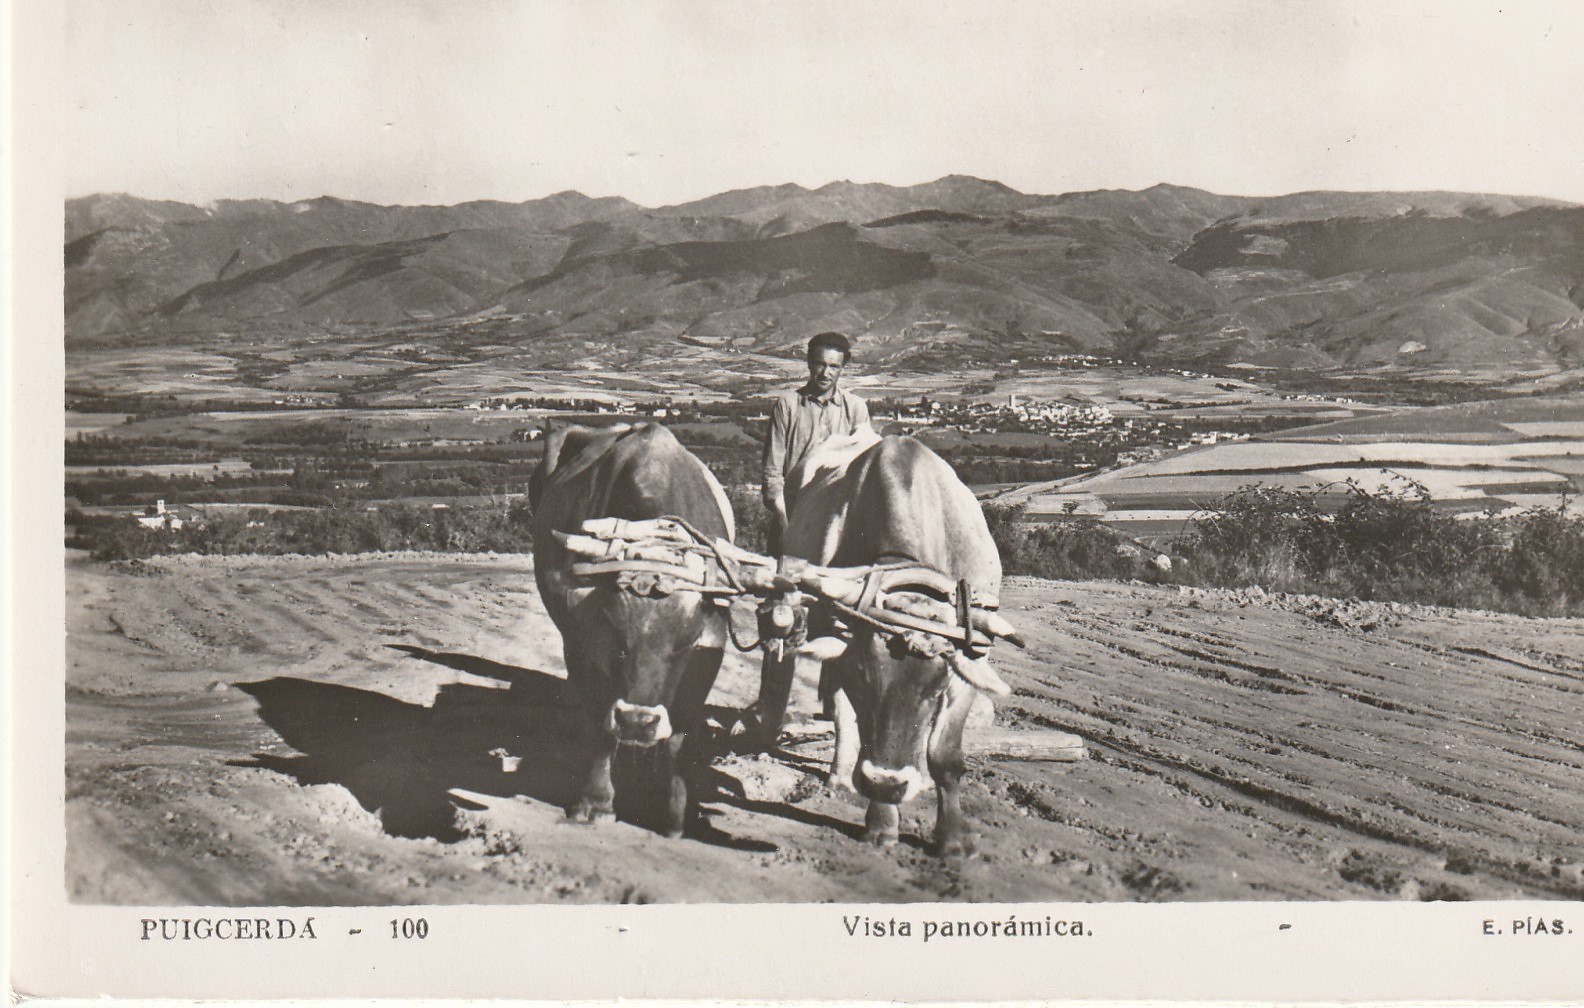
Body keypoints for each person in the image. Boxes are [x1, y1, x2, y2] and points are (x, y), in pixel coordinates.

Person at [761, 332, 870, 552]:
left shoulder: (856, 408)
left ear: (842, 368)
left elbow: (866, 469)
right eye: (820, 364)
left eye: (833, 366)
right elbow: (772, 472)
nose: (826, 373)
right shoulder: (788, 406)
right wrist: (784, 520)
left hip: (838, 525)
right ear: (809, 363)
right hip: (791, 515)